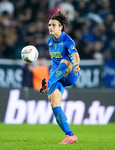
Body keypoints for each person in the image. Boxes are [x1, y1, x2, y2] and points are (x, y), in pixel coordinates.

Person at [38, 10, 80, 144]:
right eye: (49, 25)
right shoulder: (49, 42)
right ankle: (70, 135)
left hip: (69, 72)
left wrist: (77, 64)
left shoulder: (67, 40)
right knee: (54, 103)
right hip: (56, 76)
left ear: (61, 27)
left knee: (64, 61)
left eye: (54, 25)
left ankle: (47, 84)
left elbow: (74, 54)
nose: (50, 27)